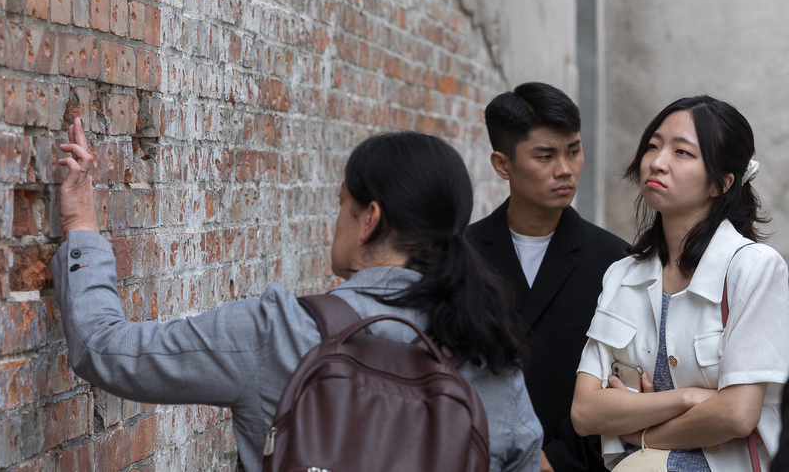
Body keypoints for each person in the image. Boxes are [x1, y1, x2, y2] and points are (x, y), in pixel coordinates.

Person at [51, 118, 544, 472]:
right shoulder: (490, 351)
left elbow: (106, 351)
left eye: (341, 204)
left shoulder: (283, 332)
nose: (338, 220)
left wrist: (80, 226)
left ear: (369, 219)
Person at [571, 95, 789, 471]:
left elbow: (737, 415)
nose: (657, 162)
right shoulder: (622, 275)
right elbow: (585, 412)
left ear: (720, 183)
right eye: (653, 146)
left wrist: (642, 435)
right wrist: (688, 398)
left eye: (682, 152)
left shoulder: (754, 269)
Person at [466, 82, 627, 472]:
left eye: (574, 150)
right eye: (545, 156)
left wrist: (556, 458)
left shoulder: (616, 261)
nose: (565, 170)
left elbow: (622, 377)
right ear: (503, 164)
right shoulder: (462, 257)